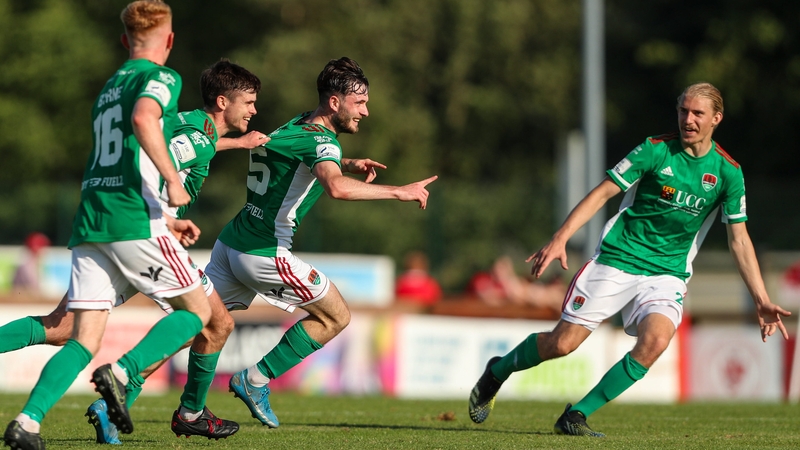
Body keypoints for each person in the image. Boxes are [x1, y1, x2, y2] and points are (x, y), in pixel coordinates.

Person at [467, 82, 791, 437]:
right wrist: (560, 238)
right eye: (683, 110)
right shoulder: (654, 151)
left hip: (667, 273)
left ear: (717, 118)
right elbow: (602, 193)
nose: (688, 119)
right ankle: (497, 372)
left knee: (655, 343)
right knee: (562, 344)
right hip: (618, 259)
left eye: (698, 113)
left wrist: (761, 299)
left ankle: (575, 416)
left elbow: (739, 240)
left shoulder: (728, 173)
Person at [0, 58, 268, 445]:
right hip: (148, 232)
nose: (254, 110)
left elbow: (187, 146)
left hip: (119, 228)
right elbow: (171, 161)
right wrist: (167, 216)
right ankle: (179, 406)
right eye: (250, 102)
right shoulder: (196, 136)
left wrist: (237, 143)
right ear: (224, 102)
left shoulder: (193, 124)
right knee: (215, 321)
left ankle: (65, 412)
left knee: (63, 327)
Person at [177, 56, 437, 429]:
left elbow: (298, 157)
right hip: (265, 252)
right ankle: (255, 381)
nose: (366, 111)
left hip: (231, 242)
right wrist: (400, 191)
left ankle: (130, 380)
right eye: (359, 102)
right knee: (336, 317)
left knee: (199, 326)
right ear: (335, 102)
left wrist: (346, 161)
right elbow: (334, 187)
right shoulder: (322, 142)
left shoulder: (298, 123)